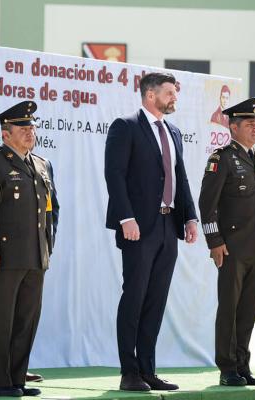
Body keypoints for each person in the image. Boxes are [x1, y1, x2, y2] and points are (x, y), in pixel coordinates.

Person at [104, 72, 199, 392]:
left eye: (175, 92)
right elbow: (114, 175)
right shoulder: (126, 126)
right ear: (150, 95)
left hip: (167, 224)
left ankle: (147, 369)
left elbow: (180, 178)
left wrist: (190, 218)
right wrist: (125, 218)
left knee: (156, 300)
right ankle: (128, 372)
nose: (175, 98)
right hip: (138, 227)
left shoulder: (173, 131)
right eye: (169, 92)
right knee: (135, 297)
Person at [0, 101, 53, 397]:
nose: (31, 131)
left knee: (26, 319)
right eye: (23, 128)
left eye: (32, 126)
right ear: (6, 134)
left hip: (34, 256)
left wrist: (47, 248)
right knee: (1, 319)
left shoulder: (41, 164)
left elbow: (49, 211)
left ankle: (17, 379)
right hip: (2, 257)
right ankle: (0, 381)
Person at [199, 98, 255, 387]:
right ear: (233, 126)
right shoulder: (222, 158)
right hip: (233, 248)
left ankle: (243, 364)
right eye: (249, 124)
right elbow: (207, 205)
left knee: (249, 310)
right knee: (229, 308)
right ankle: (228, 367)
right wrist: (215, 241)